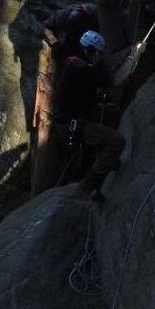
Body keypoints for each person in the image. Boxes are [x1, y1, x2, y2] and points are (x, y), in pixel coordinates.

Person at [53, 30, 143, 203]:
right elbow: (114, 80)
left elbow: (104, 69)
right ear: (90, 51)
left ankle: (104, 162)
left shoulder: (75, 63)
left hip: (71, 119)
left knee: (112, 116)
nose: (100, 58)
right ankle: (90, 186)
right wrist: (134, 57)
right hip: (73, 125)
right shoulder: (82, 69)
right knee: (117, 141)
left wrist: (129, 51)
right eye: (99, 54)